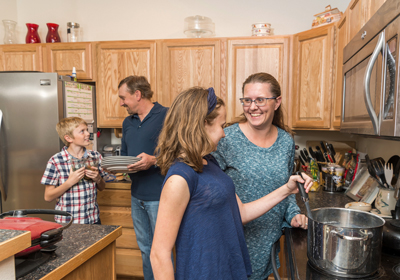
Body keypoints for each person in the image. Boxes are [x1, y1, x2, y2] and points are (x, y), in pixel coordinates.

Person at [150, 87, 312, 279]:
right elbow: (159, 254)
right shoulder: (180, 178)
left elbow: (241, 212)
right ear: (201, 125)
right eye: (221, 125)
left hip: (228, 270)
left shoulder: (209, 162)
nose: (224, 133)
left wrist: (287, 189)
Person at [212, 72, 307, 279]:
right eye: (247, 100)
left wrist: (293, 214)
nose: (252, 107)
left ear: (277, 102)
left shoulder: (286, 142)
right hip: (232, 244)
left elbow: (286, 188)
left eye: (260, 100)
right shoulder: (227, 138)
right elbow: (211, 191)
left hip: (268, 246)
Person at [118, 75, 168, 280]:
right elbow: (123, 155)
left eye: (124, 97)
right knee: (146, 249)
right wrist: (117, 168)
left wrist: (154, 160)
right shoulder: (127, 122)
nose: (122, 103)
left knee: (162, 252)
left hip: (160, 197)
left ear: (137, 94)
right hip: (136, 196)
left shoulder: (167, 115)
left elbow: (182, 154)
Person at [41, 117, 107, 224]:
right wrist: (70, 182)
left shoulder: (95, 156)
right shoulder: (56, 161)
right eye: (82, 131)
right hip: (67, 222)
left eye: (87, 130)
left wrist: (98, 178)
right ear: (69, 138)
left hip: (93, 220)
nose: (87, 134)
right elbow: (48, 197)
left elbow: (102, 187)